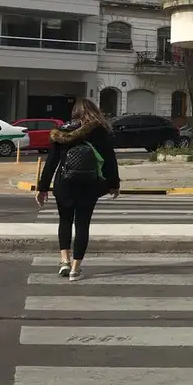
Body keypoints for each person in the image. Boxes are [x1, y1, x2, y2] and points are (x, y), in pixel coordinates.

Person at [36, 98, 120, 281]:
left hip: (64, 184)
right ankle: (75, 269)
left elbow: (51, 163)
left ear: (74, 113)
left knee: (65, 220)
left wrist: (43, 188)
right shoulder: (99, 131)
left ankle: (64, 261)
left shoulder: (61, 132)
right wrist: (114, 184)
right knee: (82, 224)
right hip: (89, 185)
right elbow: (109, 160)